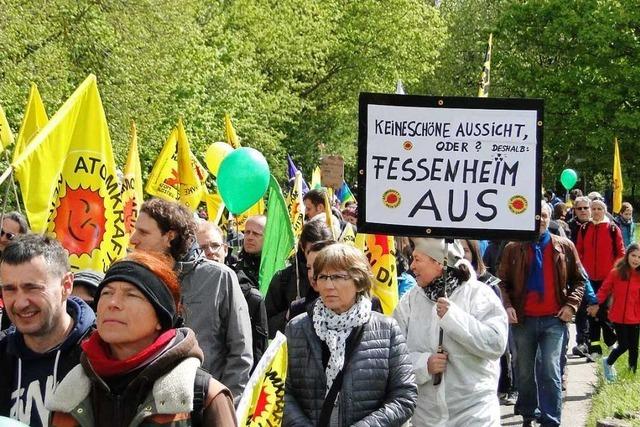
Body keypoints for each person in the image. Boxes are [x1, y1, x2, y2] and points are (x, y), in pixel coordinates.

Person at [46, 251, 237, 426]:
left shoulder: (203, 396)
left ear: (160, 318)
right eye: (106, 293)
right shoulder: (69, 393)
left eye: (131, 295)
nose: (113, 304)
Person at [130, 198, 252, 400]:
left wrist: (224, 403)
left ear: (170, 236)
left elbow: (240, 352)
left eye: (143, 232)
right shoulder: (134, 278)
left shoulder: (219, 278)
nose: (133, 239)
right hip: (147, 404)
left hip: (201, 404)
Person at [285, 243, 417, 425]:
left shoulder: (387, 330)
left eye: (338, 277)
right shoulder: (297, 329)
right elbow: (284, 392)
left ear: (358, 280)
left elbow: (404, 396)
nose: (329, 285)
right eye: (322, 277)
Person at [393, 237, 507, 425]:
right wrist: (424, 364)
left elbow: (495, 344)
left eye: (417, 259)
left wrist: (454, 319)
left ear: (439, 263)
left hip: (474, 414)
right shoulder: (409, 302)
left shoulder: (479, 294)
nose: (412, 266)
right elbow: (395, 357)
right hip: (426, 416)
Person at [499, 202, 586, 427]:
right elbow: (503, 282)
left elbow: (580, 280)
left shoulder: (564, 246)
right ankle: (529, 413)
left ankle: (551, 420)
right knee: (524, 371)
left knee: (550, 369)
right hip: (523, 319)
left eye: (545, 215)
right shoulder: (512, 248)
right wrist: (507, 306)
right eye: (535, 216)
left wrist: (571, 306)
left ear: (550, 218)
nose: (540, 220)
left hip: (553, 320)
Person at [0, 235, 95, 427]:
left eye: (32, 288)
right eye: (9, 289)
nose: (20, 303)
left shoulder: (100, 357)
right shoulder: (2, 354)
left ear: (66, 286)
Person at [197, 219, 267, 370]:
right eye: (202, 247)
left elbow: (254, 355)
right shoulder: (182, 290)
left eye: (215, 246)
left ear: (226, 249)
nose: (210, 252)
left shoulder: (249, 295)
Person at [265, 220, 332, 338]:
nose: (315, 275)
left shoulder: (342, 282)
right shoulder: (283, 280)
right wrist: (291, 315)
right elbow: (266, 326)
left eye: (323, 253)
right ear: (302, 247)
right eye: (311, 251)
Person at [576, 197, 625, 356]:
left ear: (605, 211)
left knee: (604, 310)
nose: (596, 212)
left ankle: (611, 341)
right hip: (589, 279)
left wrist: (614, 272)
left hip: (607, 278)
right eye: (594, 209)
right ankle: (594, 347)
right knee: (591, 311)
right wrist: (581, 271)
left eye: (599, 209)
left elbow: (621, 252)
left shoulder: (612, 228)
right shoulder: (584, 228)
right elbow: (579, 252)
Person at [588, 243, 640, 381]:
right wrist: (595, 303)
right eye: (633, 255)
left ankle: (631, 373)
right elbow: (604, 290)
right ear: (627, 255)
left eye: (639, 257)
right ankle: (608, 362)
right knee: (624, 345)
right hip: (618, 316)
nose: (636, 259)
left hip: (635, 317)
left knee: (634, 348)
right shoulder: (616, 273)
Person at [233, 215, 266, 288]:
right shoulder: (234, 269)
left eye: (256, 234)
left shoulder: (278, 270)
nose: (249, 237)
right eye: (247, 232)